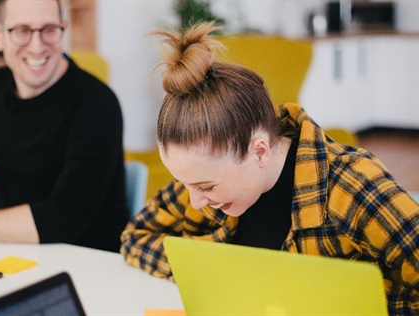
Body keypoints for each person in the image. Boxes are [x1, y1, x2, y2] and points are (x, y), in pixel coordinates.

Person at [120, 22, 419, 314]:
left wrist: (339, 298)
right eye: (184, 183)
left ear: (259, 150)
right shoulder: (203, 176)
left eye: (206, 187)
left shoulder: (353, 186)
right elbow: (135, 237)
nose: (196, 200)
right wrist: (215, 273)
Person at [0, 0, 128, 252]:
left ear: (64, 29)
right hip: (10, 254)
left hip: (85, 264)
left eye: (49, 29)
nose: (37, 47)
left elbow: (65, 216)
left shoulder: (96, 105)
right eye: (22, 31)